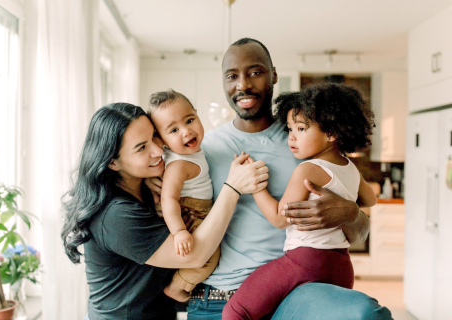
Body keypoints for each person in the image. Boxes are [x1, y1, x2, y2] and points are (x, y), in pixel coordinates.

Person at [157, 38, 391, 319]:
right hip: (213, 301)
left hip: (291, 300)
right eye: (232, 76)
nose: (243, 85)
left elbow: (360, 227)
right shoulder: (200, 151)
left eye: (255, 72)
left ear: (274, 75)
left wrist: (351, 214)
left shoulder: (306, 142)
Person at [60, 103, 269, 319]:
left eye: (155, 136)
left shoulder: (148, 186)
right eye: (141, 148)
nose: (158, 150)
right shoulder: (116, 215)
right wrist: (233, 188)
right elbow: (195, 256)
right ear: (113, 163)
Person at [222, 84, 378, 319]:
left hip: (304, 262)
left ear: (331, 132)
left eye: (302, 128)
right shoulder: (350, 168)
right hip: (342, 268)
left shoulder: (308, 170)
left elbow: (278, 218)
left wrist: (254, 185)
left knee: (235, 310)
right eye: (290, 128)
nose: (292, 136)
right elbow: (371, 199)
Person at [148, 89, 220, 302]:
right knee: (208, 256)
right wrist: (179, 231)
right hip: (190, 212)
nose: (186, 131)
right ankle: (177, 287)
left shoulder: (191, 152)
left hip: (199, 209)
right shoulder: (178, 164)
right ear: (160, 139)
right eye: (173, 130)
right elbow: (168, 198)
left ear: (197, 114)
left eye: (190, 120)